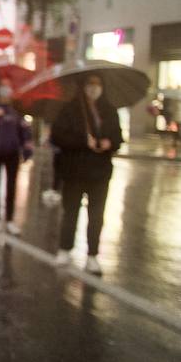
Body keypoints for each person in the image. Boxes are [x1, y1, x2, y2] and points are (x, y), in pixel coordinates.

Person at [50, 74, 122, 275]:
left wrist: (109, 143)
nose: (93, 88)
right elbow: (57, 136)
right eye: (90, 83)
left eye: (97, 83)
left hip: (100, 173)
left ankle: (92, 255)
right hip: (75, 172)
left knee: (96, 215)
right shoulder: (70, 110)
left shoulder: (110, 111)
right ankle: (65, 249)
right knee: (70, 212)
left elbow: (118, 137)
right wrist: (83, 141)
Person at [0, 80, 32, 234]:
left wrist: (27, 150)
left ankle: (9, 220)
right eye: (3, 86)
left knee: (11, 186)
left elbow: (25, 131)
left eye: (8, 87)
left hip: (12, 153)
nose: (6, 90)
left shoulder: (16, 110)